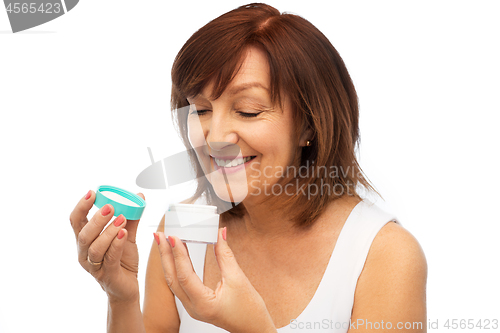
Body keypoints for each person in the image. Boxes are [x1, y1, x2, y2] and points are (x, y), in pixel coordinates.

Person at [69, 3, 427, 332]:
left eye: (248, 111)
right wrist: (122, 297)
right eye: (202, 110)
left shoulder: (383, 255)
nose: (215, 138)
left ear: (310, 125)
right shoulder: (185, 227)